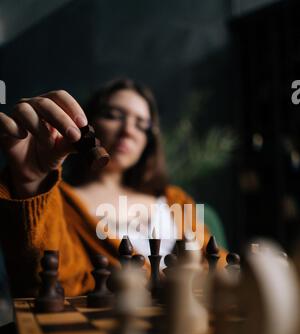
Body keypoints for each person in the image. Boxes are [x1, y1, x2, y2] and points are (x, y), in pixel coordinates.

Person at [0, 78, 226, 297]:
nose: (128, 130)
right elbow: (42, 284)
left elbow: (219, 262)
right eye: (114, 116)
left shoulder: (176, 200)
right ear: (89, 123)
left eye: (141, 124)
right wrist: (31, 182)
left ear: (149, 140)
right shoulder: (55, 201)